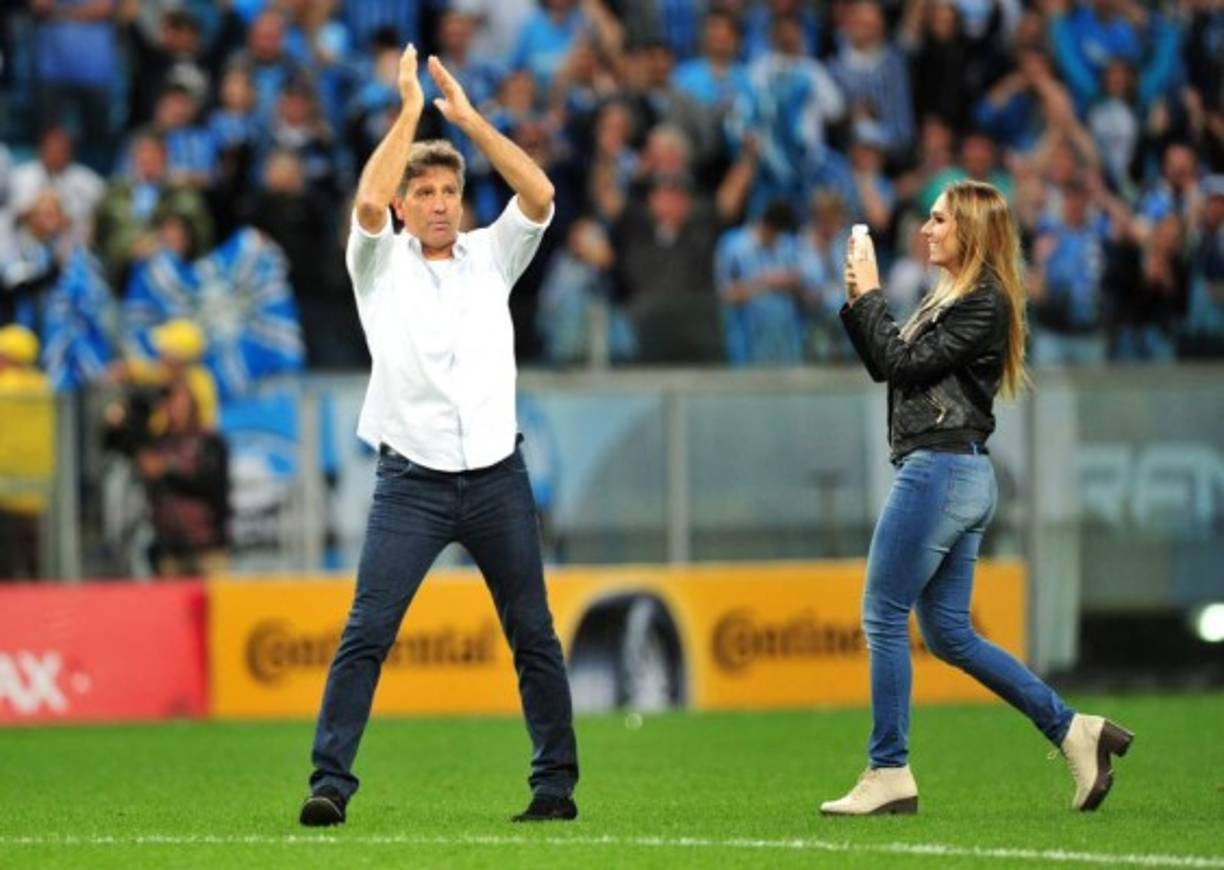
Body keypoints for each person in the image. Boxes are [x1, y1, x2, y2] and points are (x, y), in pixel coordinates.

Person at [299, 44, 579, 827]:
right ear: (402, 204)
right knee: (368, 632)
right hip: (411, 484)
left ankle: (554, 787)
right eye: (422, 191)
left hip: (497, 477)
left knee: (533, 634)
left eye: (449, 190)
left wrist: (468, 120)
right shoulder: (378, 263)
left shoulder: (494, 254)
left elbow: (540, 190)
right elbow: (363, 202)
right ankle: (329, 783)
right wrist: (410, 114)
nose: (437, 203)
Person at [822, 180, 1134, 816]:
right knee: (950, 634)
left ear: (971, 230)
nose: (927, 228)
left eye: (939, 220)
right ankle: (1074, 730)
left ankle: (889, 769)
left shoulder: (982, 301)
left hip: (939, 470)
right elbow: (890, 362)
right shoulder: (960, 296)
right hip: (957, 473)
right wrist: (861, 303)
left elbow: (902, 368)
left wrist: (874, 295)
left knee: (883, 613)